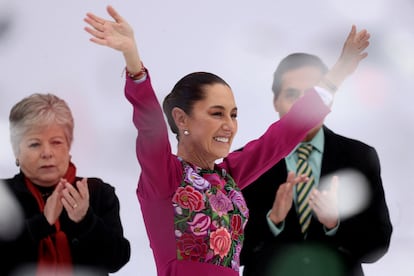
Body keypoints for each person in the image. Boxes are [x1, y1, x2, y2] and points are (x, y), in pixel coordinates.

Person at [84, 5, 370, 276]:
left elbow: (282, 137)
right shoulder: (164, 176)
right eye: (217, 113)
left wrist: (337, 75)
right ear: (181, 119)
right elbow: (149, 127)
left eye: (233, 115)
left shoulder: (227, 178)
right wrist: (133, 60)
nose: (229, 125)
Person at [239, 53, 393, 276]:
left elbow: (378, 246)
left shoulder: (359, 157)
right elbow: (226, 252)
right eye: (292, 95)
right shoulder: (246, 162)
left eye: (312, 96)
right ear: (275, 101)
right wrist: (272, 221)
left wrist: (334, 224)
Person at [0, 93, 131, 276]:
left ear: (68, 146)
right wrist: (43, 223)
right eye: (34, 144)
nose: (47, 153)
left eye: (56, 142)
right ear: (16, 151)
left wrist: (85, 220)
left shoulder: (96, 192)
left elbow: (116, 260)